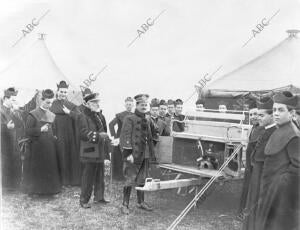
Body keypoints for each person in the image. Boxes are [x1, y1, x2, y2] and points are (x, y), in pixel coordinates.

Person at [256, 91, 300, 230]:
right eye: (274, 110)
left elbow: (298, 168)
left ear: (292, 114)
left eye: (281, 110)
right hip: (270, 192)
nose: (275, 113)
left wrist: (279, 184)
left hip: (281, 198)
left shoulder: (294, 135)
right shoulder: (279, 129)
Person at [120, 94, 158, 214]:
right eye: (142, 105)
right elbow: (125, 137)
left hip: (145, 155)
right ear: (137, 105)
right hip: (133, 154)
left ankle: (140, 202)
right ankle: (125, 204)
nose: (144, 107)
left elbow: (154, 132)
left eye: (146, 105)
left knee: (142, 179)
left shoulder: (148, 118)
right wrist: (128, 153)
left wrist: (152, 146)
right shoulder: (129, 118)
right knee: (129, 179)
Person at [243, 96, 276, 230]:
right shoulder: (265, 130)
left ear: (272, 115)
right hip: (256, 176)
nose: (258, 118)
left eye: (262, 115)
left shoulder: (273, 132)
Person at [24, 89, 61, 195]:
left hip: (49, 147)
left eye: (51, 103)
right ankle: (37, 191)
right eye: (47, 102)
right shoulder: (33, 114)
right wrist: (40, 129)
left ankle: (50, 190)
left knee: (50, 168)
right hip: (37, 148)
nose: (50, 105)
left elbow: (53, 130)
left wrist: (54, 136)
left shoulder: (52, 115)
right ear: (41, 100)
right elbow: (27, 131)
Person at [78, 92, 110, 208]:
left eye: (97, 102)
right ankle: (84, 200)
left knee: (100, 174)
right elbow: (82, 133)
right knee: (88, 176)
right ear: (86, 103)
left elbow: (105, 132)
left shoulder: (101, 116)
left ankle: (99, 197)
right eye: (93, 102)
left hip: (100, 150)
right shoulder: (83, 116)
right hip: (89, 149)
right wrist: (98, 135)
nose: (96, 104)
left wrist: (107, 145)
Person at [50, 80, 81, 186]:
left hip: (70, 135)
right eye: (61, 91)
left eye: (65, 92)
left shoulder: (71, 105)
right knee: (59, 155)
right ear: (57, 91)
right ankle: (61, 181)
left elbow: (80, 118)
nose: (63, 94)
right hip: (57, 135)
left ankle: (71, 180)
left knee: (69, 155)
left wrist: (70, 113)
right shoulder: (51, 105)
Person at [237, 102, 264, 218]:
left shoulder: (262, 129)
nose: (253, 116)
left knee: (254, 191)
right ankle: (242, 212)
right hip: (249, 166)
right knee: (247, 189)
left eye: (256, 114)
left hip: (255, 167)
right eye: (251, 114)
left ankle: (247, 213)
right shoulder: (253, 128)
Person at [1, 87, 22, 191]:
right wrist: (5, 127)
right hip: (3, 142)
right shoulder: (1, 110)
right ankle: (6, 186)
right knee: (6, 162)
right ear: (5, 98)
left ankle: (14, 185)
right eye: (13, 100)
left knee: (15, 160)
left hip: (13, 140)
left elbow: (20, 124)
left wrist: (15, 113)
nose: (15, 102)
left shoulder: (12, 110)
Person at [109, 97, 134, 180]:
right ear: (125, 105)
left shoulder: (135, 116)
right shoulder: (120, 115)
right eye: (127, 104)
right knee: (119, 157)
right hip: (119, 139)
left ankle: (128, 175)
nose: (129, 106)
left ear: (133, 105)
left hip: (130, 139)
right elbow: (111, 124)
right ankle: (117, 176)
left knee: (129, 157)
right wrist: (114, 135)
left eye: (130, 104)